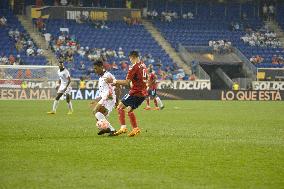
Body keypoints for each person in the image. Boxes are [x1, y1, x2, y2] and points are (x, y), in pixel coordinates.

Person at [106, 51, 147, 137]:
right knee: (129, 110)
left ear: (132, 57)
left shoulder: (133, 67)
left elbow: (127, 82)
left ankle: (123, 127)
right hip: (143, 93)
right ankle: (135, 129)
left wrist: (114, 81)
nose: (130, 61)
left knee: (120, 107)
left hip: (136, 92)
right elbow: (140, 79)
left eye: (130, 59)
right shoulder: (143, 65)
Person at [90, 60, 119, 136]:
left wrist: (117, 101)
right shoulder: (100, 78)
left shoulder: (108, 75)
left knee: (96, 111)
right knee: (98, 114)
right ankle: (106, 129)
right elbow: (104, 92)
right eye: (94, 68)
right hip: (105, 99)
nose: (95, 70)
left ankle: (111, 130)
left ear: (101, 67)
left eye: (96, 68)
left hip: (109, 100)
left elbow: (117, 86)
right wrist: (96, 99)